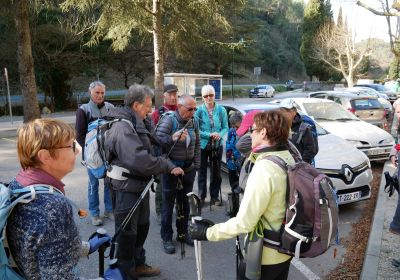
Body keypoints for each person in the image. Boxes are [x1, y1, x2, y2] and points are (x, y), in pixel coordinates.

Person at [189, 110, 295, 280]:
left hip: (262, 257)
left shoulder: (265, 168)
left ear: (263, 132)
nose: (249, 134)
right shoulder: (288, 157)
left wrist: (208, 233)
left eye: (251, 130)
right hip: (284, 251)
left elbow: (245, 223)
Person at [7, 118, 118, 279]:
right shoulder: (52, 207)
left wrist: (86, 247)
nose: (78, 150)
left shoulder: (19, 184)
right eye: (71, 146)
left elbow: (40, 244)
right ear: (45, 156)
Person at [103, 84, 184, 279]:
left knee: (142, 227)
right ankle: (125, 272)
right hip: (125, 188)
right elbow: (141, 161)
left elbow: (153, 141)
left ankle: (138, 264)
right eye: (148, 105)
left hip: (139, 186)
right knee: (127, 233)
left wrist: (170, 140)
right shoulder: (122, 127)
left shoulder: (139, 120)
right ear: (137, 105)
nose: (151, 110)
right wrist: (166, 165)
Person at [155, 95, 200, 254]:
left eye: (195, 108)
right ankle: (167, 238)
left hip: (188, 170)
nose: (193, 112)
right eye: (190, 109)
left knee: (185, 205)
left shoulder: (193, 121)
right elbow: (156, 142)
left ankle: (183, 233)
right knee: (168, 206)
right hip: (171, 171)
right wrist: (172, 138)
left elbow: (197, 144)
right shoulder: (169, 120)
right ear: (180, 107)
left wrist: (196, 166)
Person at [75, 81, 114, 226]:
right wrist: (89, 152)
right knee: (93, 184)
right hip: (92, 156)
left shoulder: (110, 108)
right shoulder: (84, 110)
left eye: (102, 93)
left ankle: (109, 210)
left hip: (108, 153)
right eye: (97, 92)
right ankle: (94, 213)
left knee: (109, 182)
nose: (100, 95)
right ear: (90, 92)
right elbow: (79, 135)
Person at [195, 85, 228, 206]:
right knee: (202, 172)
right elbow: (196, 130)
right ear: (202, 97)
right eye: (205, 95)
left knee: (216, 172)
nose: (208, 98)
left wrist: (219, 134)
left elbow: (225, 127)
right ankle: (201, 197)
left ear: (215, 95)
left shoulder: (221, 110)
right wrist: (209, 134)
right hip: (203, 146)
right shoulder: (198, 111)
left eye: (211, 95)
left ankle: (214, 197)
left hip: (217, 145)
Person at [151, 84, 179, 225]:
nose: (173, 97)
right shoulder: (158, 113)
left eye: (175, 94)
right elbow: (152, 136)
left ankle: (172, 208)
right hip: (162, 154)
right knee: (162, 185)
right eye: (171, 94)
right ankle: (160, 211)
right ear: (165, 96)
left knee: (175, 185)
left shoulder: (182, 109)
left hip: (178, 155)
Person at [279, 99, 317, 164]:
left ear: (294, 111)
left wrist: (301, 165)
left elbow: (311, 150)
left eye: (287, 110)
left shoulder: (304, 128)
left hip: (299, 168)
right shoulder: (279, 125)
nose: (284, 113)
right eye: (282, 110)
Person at [226, 111, 243, 194]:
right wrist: (229, 159)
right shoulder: (231, 131)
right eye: (232, 125)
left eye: (236, 125)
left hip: (242, 164)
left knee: (243, 185)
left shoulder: (246, 132)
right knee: (233, 185)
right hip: (232, 163)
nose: (234, 127)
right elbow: (228, 144)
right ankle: (235, 202)